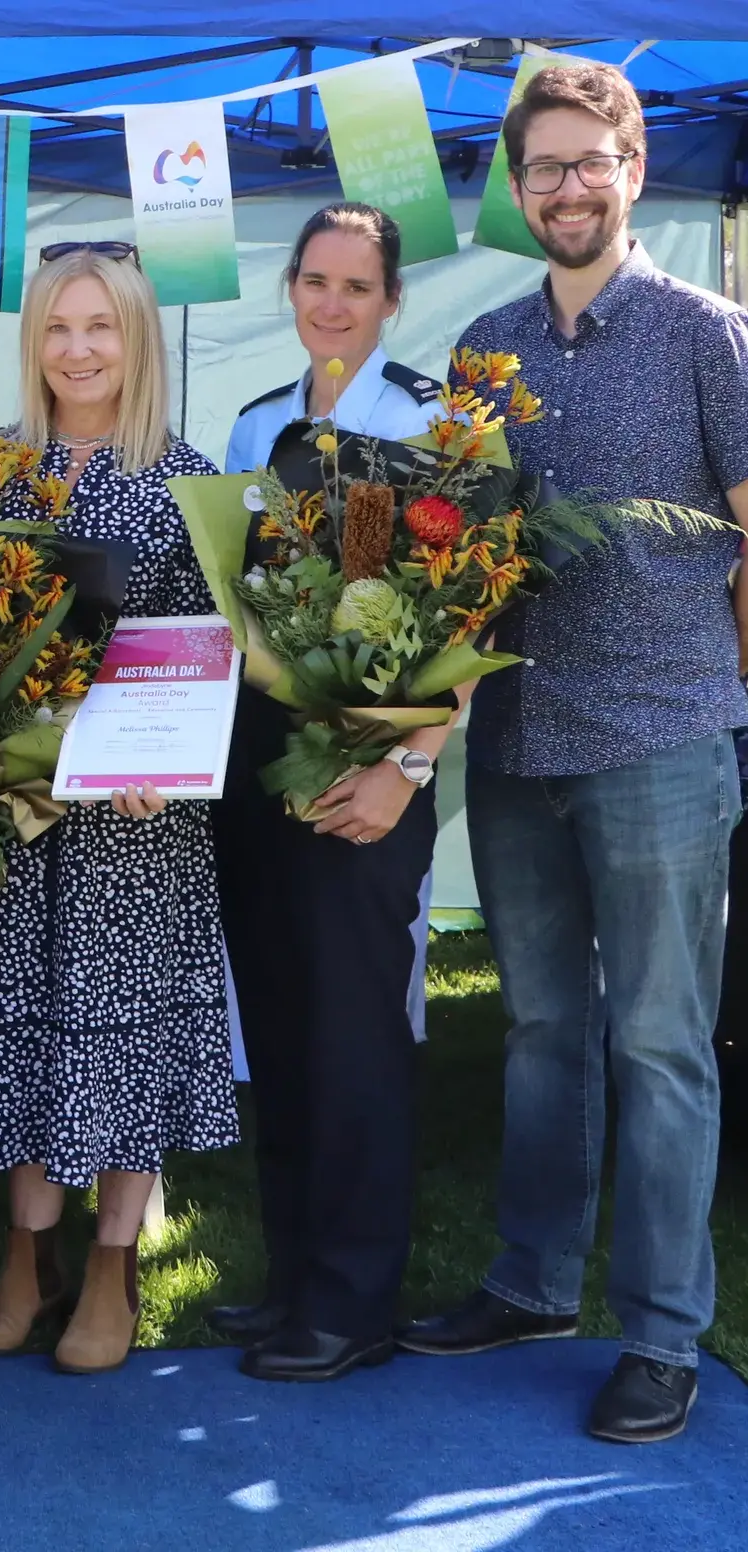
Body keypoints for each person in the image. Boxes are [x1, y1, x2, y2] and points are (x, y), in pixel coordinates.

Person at [396, 63, 748, 1446]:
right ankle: (537, 1282)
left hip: (663, 730)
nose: (563, 188)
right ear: (519, 187)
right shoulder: (488, 346)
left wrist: (730, 694)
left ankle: (663, 1333)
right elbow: (463, 551)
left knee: (661, 1042)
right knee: (544, 1032)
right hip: (523, 734)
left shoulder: (709, 335)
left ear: (633, 168)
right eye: (540, 169)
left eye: (585, 162)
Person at [0, 245, 238, 1376]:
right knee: (21, 1033)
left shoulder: (190, 486)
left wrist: (168, 765)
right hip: (13, 824)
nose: (80, 349)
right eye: (58, 328)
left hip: (135, 834)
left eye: (102, 327)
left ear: (137, 339)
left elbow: (208, 663)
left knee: (119, 1043)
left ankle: (112, 1264)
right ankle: (24, 1258)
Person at [211, 204, 450, 1382]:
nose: (334, 303)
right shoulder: (257, 424)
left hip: (368, 766)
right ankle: (292, 1275)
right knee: (284, 1020)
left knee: (354, 1028)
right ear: (292, 289)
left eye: (359, 285)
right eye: (315, 280)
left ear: (393, 299)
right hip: (258, 759)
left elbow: (476, 607)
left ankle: (354, 1300)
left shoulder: (431, 422)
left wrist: (405, 770)